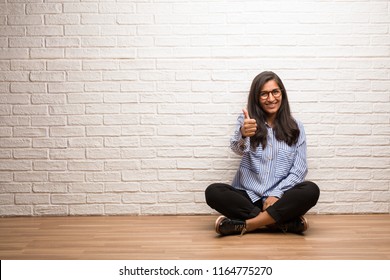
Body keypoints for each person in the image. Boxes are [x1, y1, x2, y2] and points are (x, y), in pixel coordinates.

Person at [205, 71, 320, 236]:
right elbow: (237, 149)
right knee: (213, 192)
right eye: (264, 94)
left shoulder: (296, 127)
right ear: (256, 98)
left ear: (282, 94)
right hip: (248, 197)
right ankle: (280, 223)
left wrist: (276, 194)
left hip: (279, 198)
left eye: (275, 92)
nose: (271, 98)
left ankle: (248, 224)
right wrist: (243, 133)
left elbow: (299, 169)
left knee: (310, 190)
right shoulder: (247, 121)